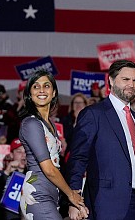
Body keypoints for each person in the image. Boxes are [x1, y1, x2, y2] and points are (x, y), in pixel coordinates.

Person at [67, 60, 135, 220]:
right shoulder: (94, 114)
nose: (131, 84)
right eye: (125, 79)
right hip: (110, 204)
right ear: (110, 80)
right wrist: (73, 200)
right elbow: (78, 159)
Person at [18, 69, 85, 220]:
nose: (41, 90)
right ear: (30, 93)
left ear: (54, 92)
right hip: (37, 194)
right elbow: (48, 169)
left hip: (51, 195)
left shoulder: (50, 124)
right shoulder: (31, 123)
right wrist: (71, 195)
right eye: (36, 86)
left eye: (46, 86)